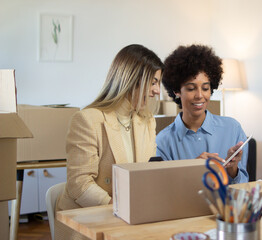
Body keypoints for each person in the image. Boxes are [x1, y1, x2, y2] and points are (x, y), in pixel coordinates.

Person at [55, 44, 164, 239]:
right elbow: (79, 184)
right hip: (88, 223)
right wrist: (120, 208)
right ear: (132, 79)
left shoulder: (147, 122)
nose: (157, 91)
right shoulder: (88, 119)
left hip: (127, 220)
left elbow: (145, 174)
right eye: (153, 82)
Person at [156, 44, 249, 184]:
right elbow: (163, 191)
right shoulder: (163, 141)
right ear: (176, 91)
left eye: (205, 88)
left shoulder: (232, 128)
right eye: (191, 88)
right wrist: (192, 170)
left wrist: (232, 169)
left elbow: (244, 186)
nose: (200, 95)